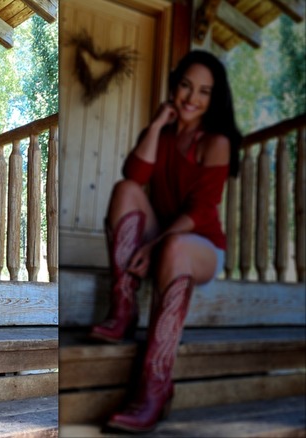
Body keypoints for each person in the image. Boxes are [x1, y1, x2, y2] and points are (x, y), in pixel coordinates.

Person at [90, 50, 241, 433]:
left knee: (174, 247)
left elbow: (203, 211)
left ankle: (155, 387)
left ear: (214, 98)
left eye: (204, 92)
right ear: (174, 86)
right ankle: (123, 308)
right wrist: (157, 125)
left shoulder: (216, 141)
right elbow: (134, 174)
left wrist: (154, 247)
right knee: (125, 189)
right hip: (164, 233)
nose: (192, 98)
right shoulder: (164, 130)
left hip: (201, 245)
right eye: (186, 86)